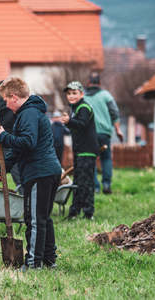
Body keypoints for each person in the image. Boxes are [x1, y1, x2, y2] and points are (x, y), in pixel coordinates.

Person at [0, 77, 61, 271]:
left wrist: (3, 136)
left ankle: (33, 263)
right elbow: (20, 149)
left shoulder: (28, 113)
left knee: (35, 220)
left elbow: (28, 142)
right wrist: (1, 170)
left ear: (14, 96)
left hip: (40, 172)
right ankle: (49, 259)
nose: (5, 104)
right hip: (46, 170)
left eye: (5, 99)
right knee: (44, 217)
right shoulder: (29, 112)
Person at [60, 81, 99, 220]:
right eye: (69, 94)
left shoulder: (83, 108)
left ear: (81, 94)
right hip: (80, 151)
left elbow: (82, 124)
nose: (71, 96)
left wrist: (69, 121)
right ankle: (75, 211)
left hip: (87, 152)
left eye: (74, 93)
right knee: (78, 183)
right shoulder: (75, 108)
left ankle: (88, 213)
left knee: (86, 183)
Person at [85, 72, 123, 194]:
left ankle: (95, 187)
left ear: (88, 83)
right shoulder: (106, 95)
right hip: (104, 134)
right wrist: (118, 130)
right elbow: (115, 113)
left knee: (91, 160)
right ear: (99, 83)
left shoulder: (83, 97)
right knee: (106, 158)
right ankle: (106, 185)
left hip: (89, 134)